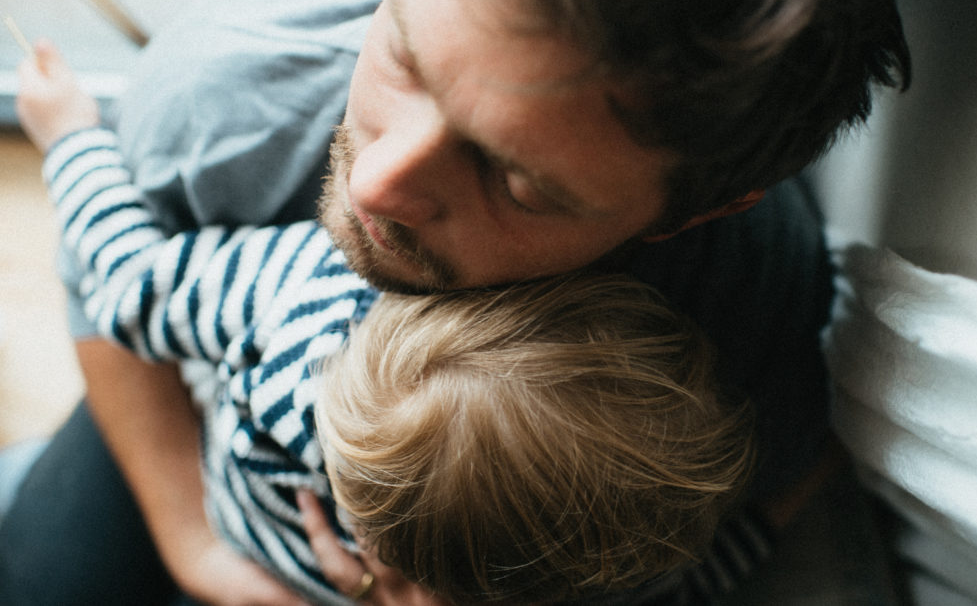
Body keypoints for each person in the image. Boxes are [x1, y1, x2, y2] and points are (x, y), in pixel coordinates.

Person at [0, 0, 911, 604]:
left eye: (519, 181)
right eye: (404, 56)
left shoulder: (748, 307)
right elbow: (107, 283)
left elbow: (733, 530)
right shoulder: (225, 98)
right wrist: (192, 545)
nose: (378, 184)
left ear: (695, 211)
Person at [22, 64, 753, 604]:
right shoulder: (294, 304)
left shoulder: (594, 547)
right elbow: (130, 286)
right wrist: (73, 140)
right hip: (224, 529)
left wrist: (69, 139)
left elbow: (130, 286)